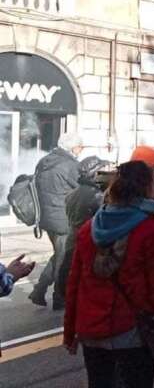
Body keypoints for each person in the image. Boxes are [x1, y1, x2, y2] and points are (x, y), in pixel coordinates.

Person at [63, 161, 154, 388]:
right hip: (131, 331)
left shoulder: (88, 229)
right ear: (148, 187)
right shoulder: (153, 231)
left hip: (91, 329)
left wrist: (70, 331)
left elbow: (75, 284)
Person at [29, 132, 83, 310]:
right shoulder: (69, 165)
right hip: (63, 219)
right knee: (64, 258)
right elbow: (82, 187)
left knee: (59, 254)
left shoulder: (45, 161)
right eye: (80, 146)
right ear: (73, 147)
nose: (81, 149)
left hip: (47, 217)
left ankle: (39, 290)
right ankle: (58, 297)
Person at [56, 156, 111, 302]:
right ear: (94, 174)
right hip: (89, 243)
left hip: (73, 239)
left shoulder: (72, 194)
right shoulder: (97, 196)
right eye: (101, 172)